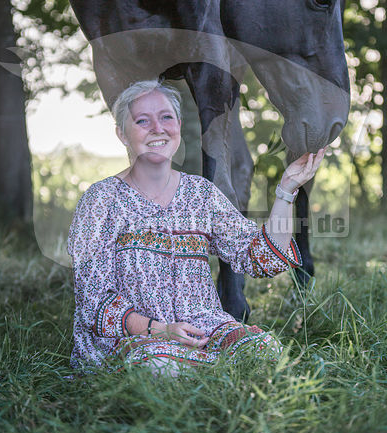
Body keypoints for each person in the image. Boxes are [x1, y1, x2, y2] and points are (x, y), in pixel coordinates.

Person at [67, 79, 326, 377]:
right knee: (160, 367)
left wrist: (286, 189)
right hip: (136, 337)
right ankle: (217, 375)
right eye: (142, 120)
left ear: (178, 125)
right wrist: (161, 329)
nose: (158, 128)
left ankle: (216, 374)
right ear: (122, 134)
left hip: (203, 328)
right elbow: (94, 301)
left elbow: (261, 256)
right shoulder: (100, 200)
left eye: (166, 117)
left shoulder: (200, 194)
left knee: (265, 351)